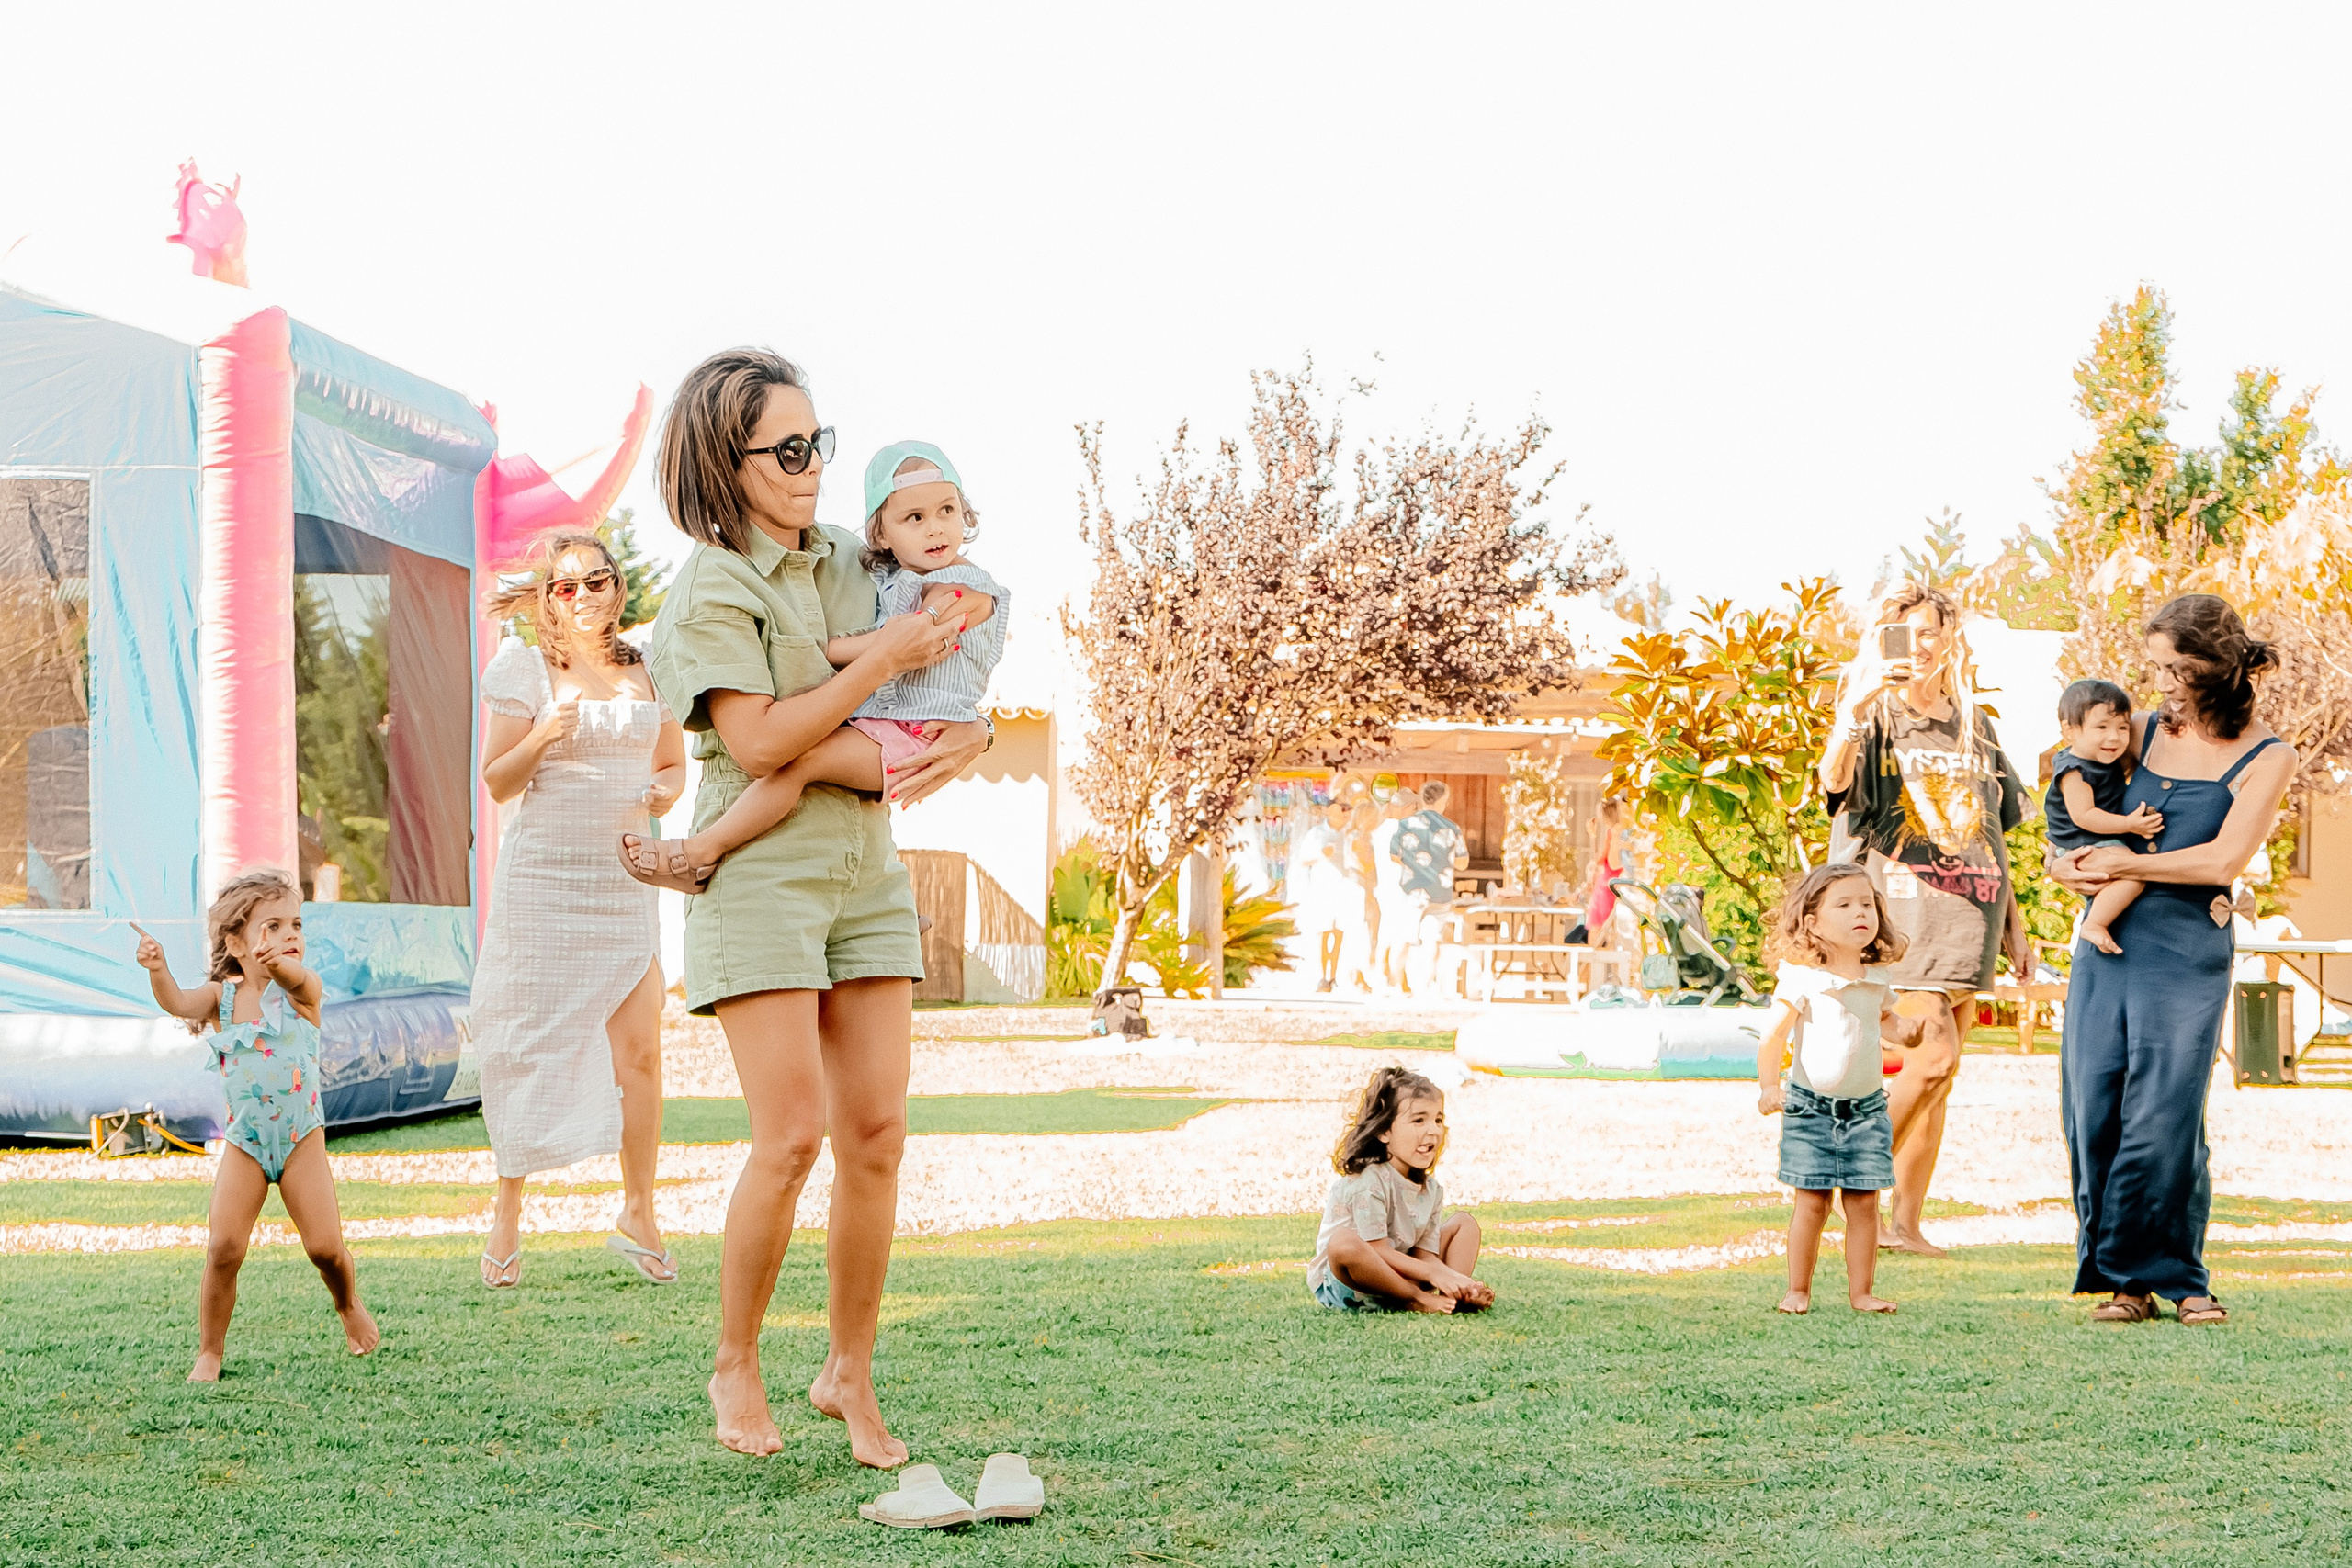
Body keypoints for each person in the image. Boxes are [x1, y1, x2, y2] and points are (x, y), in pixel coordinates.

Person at [643, 348, 989, 1465]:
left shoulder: (854, 555)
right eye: (787, 451)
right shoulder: (712, 586)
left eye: (817, 443)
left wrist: (975, 728)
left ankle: (848, 1372)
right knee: (790, 1137)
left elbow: (947, 660)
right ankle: (735, 1363)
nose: (811, 468)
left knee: (878, 1136)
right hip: (764, 883)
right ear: (723, 462)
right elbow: (755, 742)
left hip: (866, 873)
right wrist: (878, 660)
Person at [2047, 594, 2294, 1326]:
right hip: (2107, 947)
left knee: (2166, 1114)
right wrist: (2064, 862)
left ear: (2212, 672)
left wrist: (2131, 862)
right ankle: (2122, 1277)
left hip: (2185, 952)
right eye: (2152, 667)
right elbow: (2076, 807)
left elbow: (2224, 858)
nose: (2155, 684)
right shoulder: (2142, 731)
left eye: (2170, 669)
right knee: (2095, 1107)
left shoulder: (2267, 754)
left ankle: (2180, 1276)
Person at [619, 440, 1004, 891]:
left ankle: (701, 850)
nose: (935, 530)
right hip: (893, 727)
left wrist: (827, 650)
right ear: (881, 535)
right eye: (914, 518)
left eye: (947, 511)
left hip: (915, 731)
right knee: (799, 761)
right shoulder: (883, 575)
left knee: (802, 763)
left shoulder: (960, 584)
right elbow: (886, 646)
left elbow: (913, 634)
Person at [470, 533, 690, 1290]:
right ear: (546, 598)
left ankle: (638, 1212)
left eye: (598, 581)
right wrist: (542, 734)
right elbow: (498, 782)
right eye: (566, 587)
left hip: (623, 882)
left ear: (617, 587)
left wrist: (663, 791)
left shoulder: (647, 665)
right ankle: (507, 1209)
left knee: (642, 1054)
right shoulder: (524, 667)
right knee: (528, 1044)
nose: (585, 596)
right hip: (544, 886)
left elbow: (671, 766)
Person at [1819, 582, 2031, 1258]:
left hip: (1973, 918)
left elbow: (1995, 832)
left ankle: (1905, 1224)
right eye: (1909, 632)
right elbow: (1831, 784)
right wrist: (1850, 711)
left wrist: (2015, 930)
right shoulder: (1874, 713)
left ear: (1952, 637)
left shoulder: (1976, 723)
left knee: (1940, 1081)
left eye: (1935, 630)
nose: (1924, 644)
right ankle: (1843, 1185)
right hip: (1904, 917)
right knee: (1930, 1057)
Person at [132, 870, 379, 1380]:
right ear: (235, 941)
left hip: (300, 1141)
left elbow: (298, 977)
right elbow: (177, 1002)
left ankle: (347, 1303)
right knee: (223, 1247)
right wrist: (158, 969)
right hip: (245, 1143)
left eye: (296, 925)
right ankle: (210, 1350)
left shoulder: (302, 993)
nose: (290, 936)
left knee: (326, 1249)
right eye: (272, 926)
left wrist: (282, 964)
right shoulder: (222, 998)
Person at [1754, 864, 1923, 1314]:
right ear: (1812, 922)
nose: (1860, 912)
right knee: (1811, 1202)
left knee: (1865, 1203)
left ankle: (1862, 1293)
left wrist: (1908, 1033)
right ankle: (1797, 1290)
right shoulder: (1804, 978)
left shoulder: (1876, 979)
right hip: (1810, 1110)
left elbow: (1886, 1022)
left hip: (1867, 1110)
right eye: (1844, 905)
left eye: (1866, 903)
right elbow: (1773, 1036)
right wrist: (1770, 1086)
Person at [1306, 1066, 1490, 1314]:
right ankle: (1415, 1299)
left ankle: (1458, 1295)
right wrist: (1435, 1274)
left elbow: (1424, 1254)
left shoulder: (1431, 1190)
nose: (1433, 1130)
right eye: (1418, 1120)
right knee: (1343, 1242)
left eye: (1438, 1120)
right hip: (1353, 1284)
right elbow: (1376, 1250)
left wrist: (1448, 1275)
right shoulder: (1368, 1181)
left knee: (1464, 1224)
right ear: (1384, 1131)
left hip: (1401, 1272)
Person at [2045, 678, 2165, 955]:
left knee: (2131, 872)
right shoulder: (2074, 770)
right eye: (2101, 727)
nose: (2114, 737)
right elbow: (2085, 816)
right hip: (2082, 844)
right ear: (2070, 730)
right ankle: (2095, 923)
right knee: (2134, 874)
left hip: (2099, 841)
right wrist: (2130, 825)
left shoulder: (2102, 759)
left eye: (2122, 728)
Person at [1374, 781, 1468, 991]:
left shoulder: (1405, 825)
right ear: (1442, 800)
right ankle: (1425, 987)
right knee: (1432, 940)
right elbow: (1463, 862)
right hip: (1440, 889)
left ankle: (1396, 985)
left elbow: (1393, 855)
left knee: (1403, 938)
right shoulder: (1452, 828)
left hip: (1412, 890)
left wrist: (1416, 864)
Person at [1566, 796, 1628, 946]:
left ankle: (1590, 966)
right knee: (1605, 932)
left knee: (1597, 930)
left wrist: (1593, 836)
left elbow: (1603, 860)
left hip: (1606, 884)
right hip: (1612, 881)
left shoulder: (1614, 832)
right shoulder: (1619, 832)